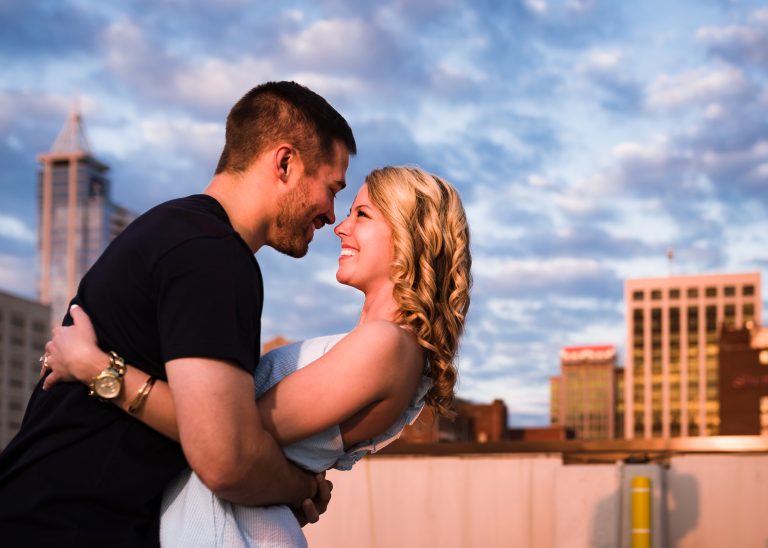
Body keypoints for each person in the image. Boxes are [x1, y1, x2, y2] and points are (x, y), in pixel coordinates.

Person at [0, 81, 357, 547]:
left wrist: (98, 370)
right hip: (61, 527)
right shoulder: (211, 255)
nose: (332, 215)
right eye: (331, 189)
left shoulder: (177, 233)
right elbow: (224, 457)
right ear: (285, 162)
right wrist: (302, 488)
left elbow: (206, 430)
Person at [42, 166, 472, 547]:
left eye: (362, 215)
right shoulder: (383, 346)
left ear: (409, 234)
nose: (340, 228)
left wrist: (95, 367)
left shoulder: (388, 344)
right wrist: (300, 487)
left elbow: (223, 437)